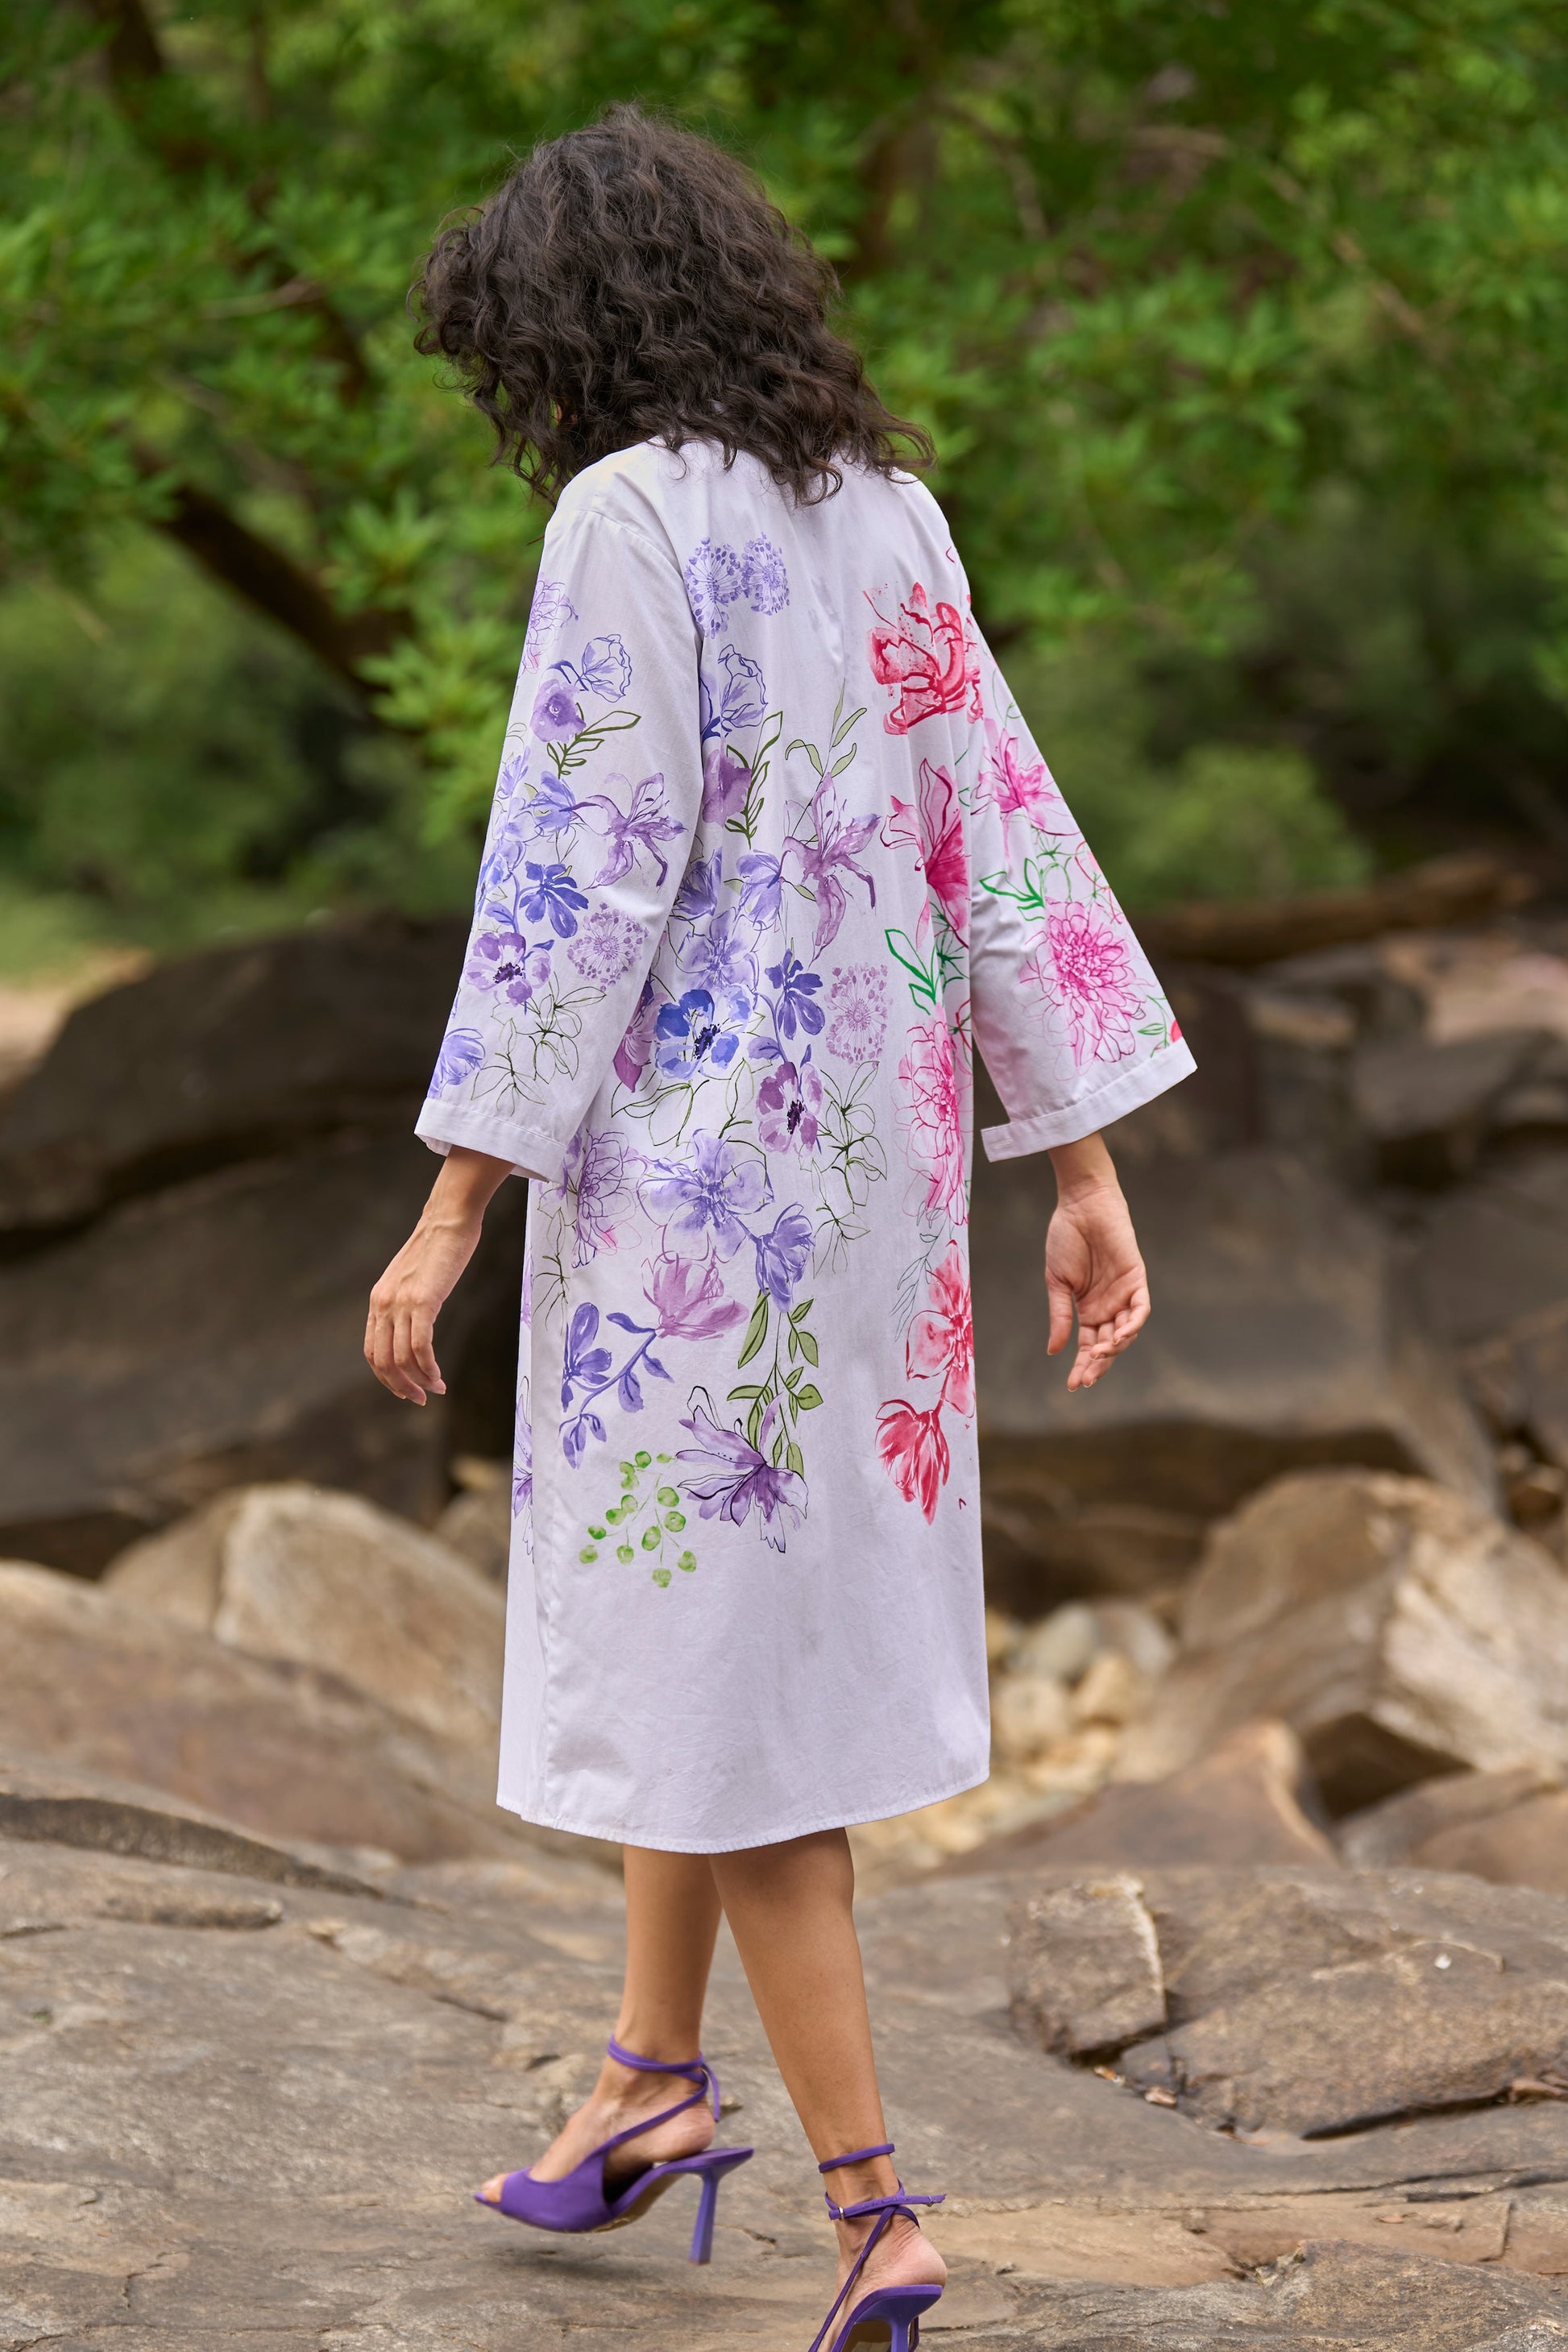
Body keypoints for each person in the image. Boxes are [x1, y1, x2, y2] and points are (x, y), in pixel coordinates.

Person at [365, 104, 1193, 2352]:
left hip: (690, 1222)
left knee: (729, 1706)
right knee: (707, 1657)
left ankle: (870, 2211)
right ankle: (649, 2079)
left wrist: (453, 1204)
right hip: (875, 1218)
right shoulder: (892, 513)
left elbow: (578, 874)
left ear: (567, 330)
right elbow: (1001, 832)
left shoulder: (628, 516)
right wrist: (1081, 1162)